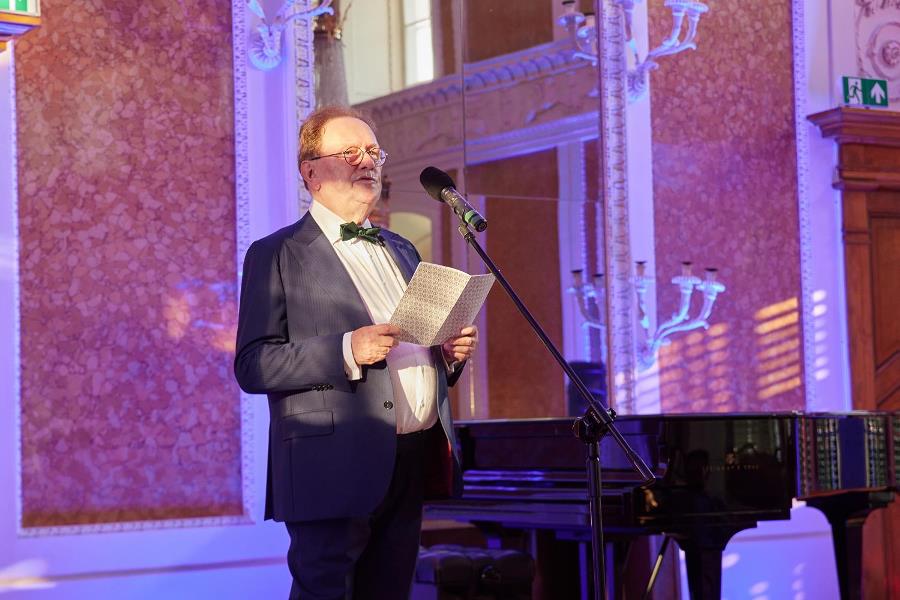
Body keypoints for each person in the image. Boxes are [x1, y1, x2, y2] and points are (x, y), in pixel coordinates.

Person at [234, 105, 478, 600]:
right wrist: (347, 348)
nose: (366, 162)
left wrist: (446, 355)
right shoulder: (276, 253)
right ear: (311, 172)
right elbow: (253, 364)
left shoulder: (402, 248)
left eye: (372, 152)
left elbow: (414, 347)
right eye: (349, 153)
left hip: (409, 458)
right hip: (330, 463)